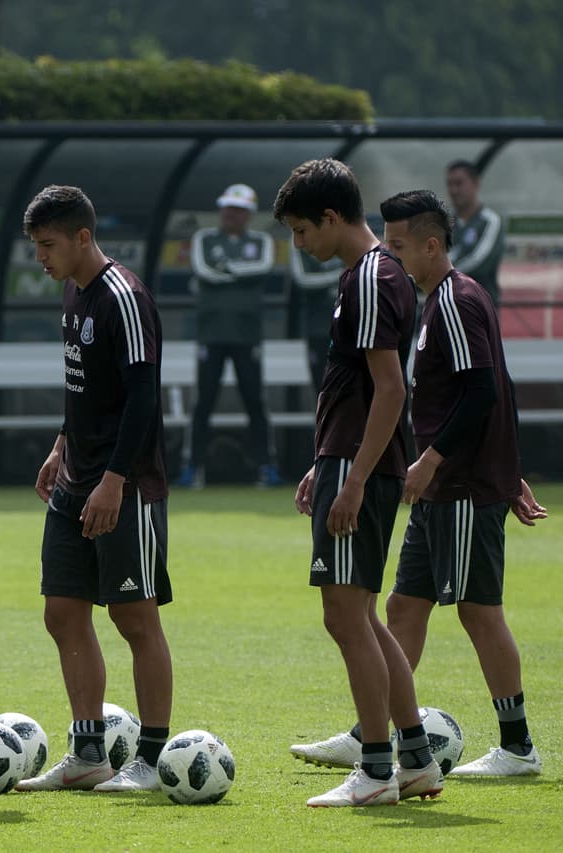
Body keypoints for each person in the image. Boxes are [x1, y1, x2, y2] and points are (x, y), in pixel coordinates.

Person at [291, 190, 547, 779]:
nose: (391, 254)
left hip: (461, 484)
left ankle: (517, 746)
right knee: (403, 606)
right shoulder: (436, 302)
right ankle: (370, 732)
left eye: (399, 245)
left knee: (478, 610)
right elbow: (486, 388)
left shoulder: (456, 299)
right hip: (443, 487)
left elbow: (484, 392)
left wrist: (436, 462)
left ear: (432, 246)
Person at [272, 159, 441, 807]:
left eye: (300, 230)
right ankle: (415, 760)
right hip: (347, 461)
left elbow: (391, 390)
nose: (298, 244)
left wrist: (354, 478)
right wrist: (326, 463)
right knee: (363, 617)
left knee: (344, 616)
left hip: (361, 468)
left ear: (331, 217)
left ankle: (374, 770)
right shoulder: (369, 275)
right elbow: (358, 389)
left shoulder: (371, 277)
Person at [13, 185, 175, 794]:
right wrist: (61, 446)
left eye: (48, 244)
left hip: (123, 485)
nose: (40, 257)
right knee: (62, 612)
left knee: (135, 617)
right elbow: (84, 385)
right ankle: (87, 753)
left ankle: (150, 760)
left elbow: (142, 399)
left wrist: (114, 480)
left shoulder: (124, 297)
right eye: (35, 246)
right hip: (74, 480)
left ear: (83, 237)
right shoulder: (73, 289)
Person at [176, 183, 280, 489]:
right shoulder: (204, 238)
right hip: (211, 334)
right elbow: (204, 271)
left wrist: (227, 269)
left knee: (255, 401)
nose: (231, 214)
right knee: (203, 402)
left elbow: (263, 267)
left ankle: (266, 467)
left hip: (247, 335)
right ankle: (192, 468)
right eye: (227, 208)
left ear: (248, 213)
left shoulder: (260, 241)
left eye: (238, 209)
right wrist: (238, 273)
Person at [446, 160, 505, 306]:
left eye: (459, 183)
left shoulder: (490, 221)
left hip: (479, 310)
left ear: (476, 183)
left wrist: (436, 276)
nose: (453, 190)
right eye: (450, 184)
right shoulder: (443, 221)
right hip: (447, 308)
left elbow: (480, 263)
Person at [289, 248, 343, 390]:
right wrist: (338, 276)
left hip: (350, 326)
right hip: (319, 325)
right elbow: (302, 279)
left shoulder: (349, 239)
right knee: (322, 383)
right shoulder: (303, 242)